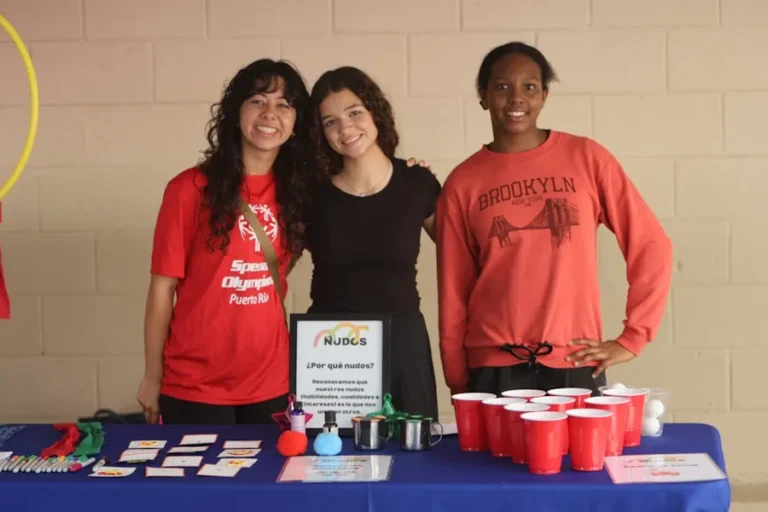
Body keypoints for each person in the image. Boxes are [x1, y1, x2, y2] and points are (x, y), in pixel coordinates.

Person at [435, 42, 673, 397]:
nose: (517, 98)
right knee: (491, 457)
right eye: (502, 87)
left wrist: (633, 337)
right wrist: (457, 379)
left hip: (574, 361)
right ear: (483, 95)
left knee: (577, 457)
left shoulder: (586, 158)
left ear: (544, 96)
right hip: (491, 367)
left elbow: (652, 245)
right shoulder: (462, 182)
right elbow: (453, 289)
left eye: (529, 87)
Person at [136, 58, 312, 424]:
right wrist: (153, 376)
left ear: (296, 123)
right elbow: (161, 289)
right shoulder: (188, 189)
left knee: (267, 481)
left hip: (270, 382)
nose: (270, 113)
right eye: (258, 100)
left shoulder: (299, 193)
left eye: (284, 104)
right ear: (236, 112)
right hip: (193, 385)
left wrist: (408, 171)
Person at [304, 66, 441, 420]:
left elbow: (465, 253)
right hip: (332, 348)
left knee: (412, 462)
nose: (346, 128)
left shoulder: (417, 182)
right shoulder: (309, 194)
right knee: (331, 462)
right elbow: (271, 266)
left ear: (375, 113)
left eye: (354, 113)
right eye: (330, 122)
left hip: (403, 343)